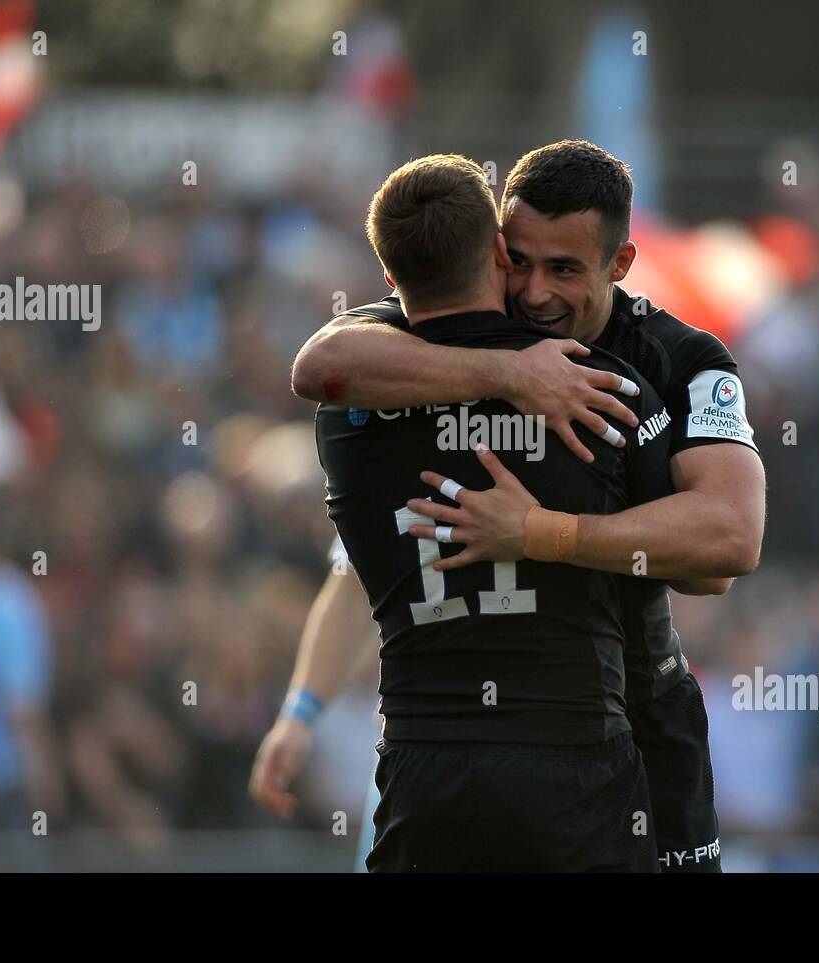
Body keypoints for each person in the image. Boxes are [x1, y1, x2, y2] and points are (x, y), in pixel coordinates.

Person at [257, 141, 766, 872]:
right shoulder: (421, 342)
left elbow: (724, 546)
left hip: (640, 727)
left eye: (563, 269)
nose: (532, 294)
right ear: (495, 249)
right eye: (520, 260)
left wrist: (539, 532)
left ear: (619, 264)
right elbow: (319, 367)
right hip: (542, 752)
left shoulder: (678, 360)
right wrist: (512, 371)